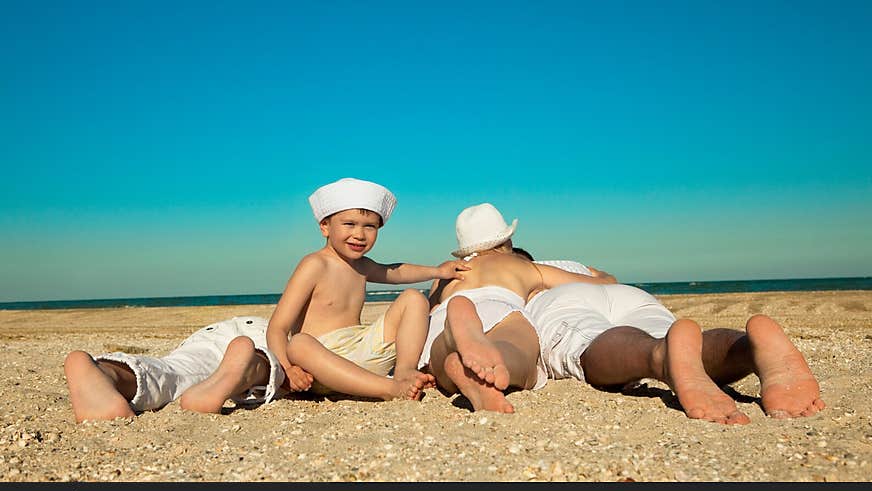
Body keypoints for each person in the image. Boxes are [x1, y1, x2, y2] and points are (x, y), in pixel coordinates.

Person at [513, 249, 826, 424]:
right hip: (625, 294)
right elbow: (608, 278)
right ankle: (746, 348)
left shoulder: (503, 271)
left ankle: (657, 357)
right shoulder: (571, 263)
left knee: (590, 344)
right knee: (684, 347)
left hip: (557, 302)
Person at [268, 177, 470, 402]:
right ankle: (390, 389)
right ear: (325, 226)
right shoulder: (315, 265)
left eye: (370, 226)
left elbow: (397, 272)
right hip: (322, 366)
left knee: (414, 298)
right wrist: (287, 369)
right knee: (298, 343)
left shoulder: (362, 266)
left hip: (363, 351)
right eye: (349, 224)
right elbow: (278, 327)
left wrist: (437, 271)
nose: (360, 235)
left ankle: (404, 370)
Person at [419, 203, 616, 413]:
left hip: (448, 311)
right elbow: (597, 285)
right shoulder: (520, 265)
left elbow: (429, 313)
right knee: (515, 349)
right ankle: (498, 366)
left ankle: (450, 343)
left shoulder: (445, 273)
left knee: (437, 355)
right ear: (506, 241)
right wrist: (602, 275)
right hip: (499, 307)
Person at [63, 316, 288, 423]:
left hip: (208, 334)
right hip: (266, 332)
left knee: (174, 371)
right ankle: (250, 367)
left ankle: (107, 372)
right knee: (269, 365)